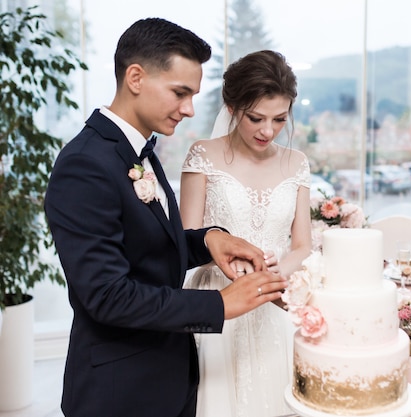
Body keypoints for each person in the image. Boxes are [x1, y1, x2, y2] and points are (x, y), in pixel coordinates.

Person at [44, 19, 288, 417]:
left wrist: (208, 239)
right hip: (120, 391)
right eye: (180, 93)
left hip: (170, 373)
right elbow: (107, 296)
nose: (189, 109)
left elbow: (151, 246)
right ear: (135, 77)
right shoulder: (84, 164)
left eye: (192, 95)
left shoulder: (141, 150)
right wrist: (220, 305)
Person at [179, 50, 312, 417]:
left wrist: (275, 275)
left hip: (274, 304)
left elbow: (302, 246)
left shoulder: (297, 163)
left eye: (280, 119)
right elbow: (187, 238)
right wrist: (230, 266)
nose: (267, 130)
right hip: (218, 300)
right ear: (232, 106)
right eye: (256, 118)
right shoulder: (202, 155)